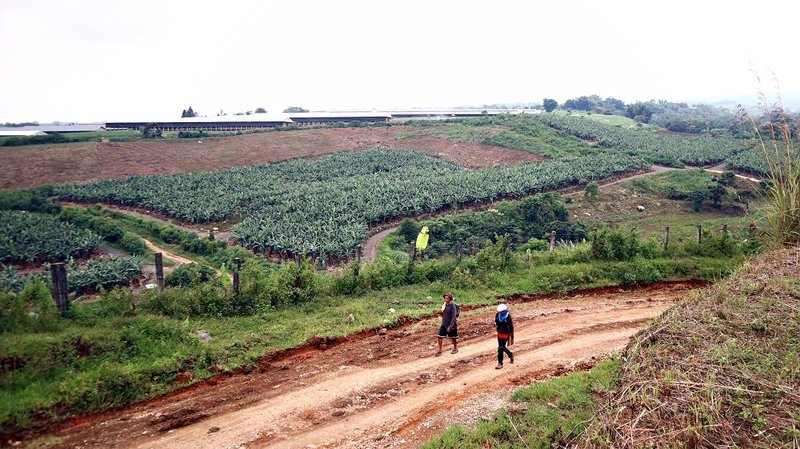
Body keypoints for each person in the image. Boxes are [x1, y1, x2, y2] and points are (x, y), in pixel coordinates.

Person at [495, 303, 514, 369]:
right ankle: (510, 354)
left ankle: (500, 363)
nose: (499, 312)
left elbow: (511, 327)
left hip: (506, 334)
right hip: (499, 333)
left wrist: (511, 337)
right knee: (502, 347)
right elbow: (496, 322)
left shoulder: (508, 317)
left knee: (500, 348)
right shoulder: (498, 315)